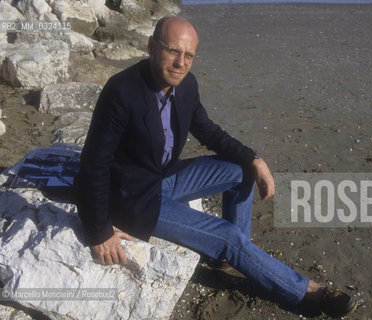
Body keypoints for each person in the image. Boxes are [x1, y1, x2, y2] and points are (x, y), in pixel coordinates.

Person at [74, 16, 357, 317]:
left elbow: (208, 131)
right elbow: (92, 166)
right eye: (172, 51)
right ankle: (308, 292)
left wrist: (253, 159)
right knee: (226, 236)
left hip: (166, 178)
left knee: (241, 171)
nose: (180, 62)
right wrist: (99, 232)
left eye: (188, 55)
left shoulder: (186, 86)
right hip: (134, 199)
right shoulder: (122, 91)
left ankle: (234, 253)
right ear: (151, 46)